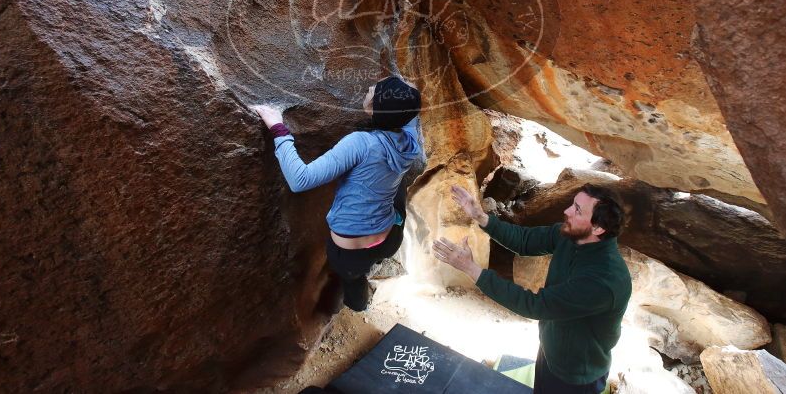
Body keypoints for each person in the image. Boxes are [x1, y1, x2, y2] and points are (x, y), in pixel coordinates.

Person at [433, 184, 631, 394]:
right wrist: (480, 216)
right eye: (573, 204)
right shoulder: (572, 235)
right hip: (551, 349)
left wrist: (471, 268)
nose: (567, 211)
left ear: (598, 228)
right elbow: (525, 241)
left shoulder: (603, 281)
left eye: (577, 210)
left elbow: (534, 305)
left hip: (575, 375)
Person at [253, 76, 422, 312]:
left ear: (375, 109)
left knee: (352, 279)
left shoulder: (361, 143)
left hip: (350, 251)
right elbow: (410, 99)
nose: (371, 87)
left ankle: (357, 304)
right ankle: (373, 265)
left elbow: (300, 180)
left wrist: (277, 128)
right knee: (397, 189)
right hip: (390, 235)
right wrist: (399, 91)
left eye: (375, 91)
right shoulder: (411, 137)